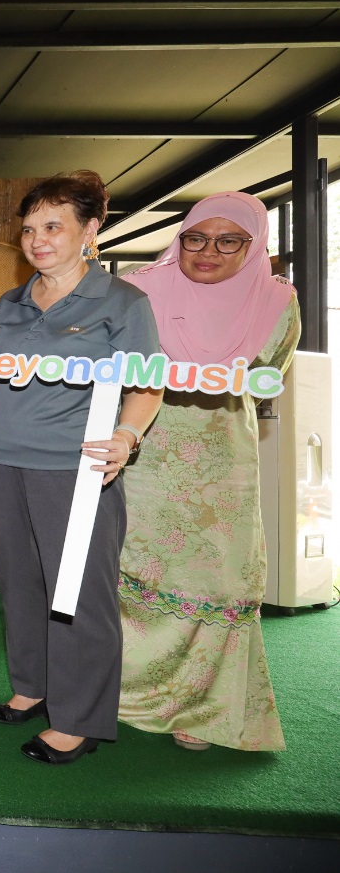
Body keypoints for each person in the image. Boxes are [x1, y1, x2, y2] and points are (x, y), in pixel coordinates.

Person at [0, 170, 162, 765]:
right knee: (20, 583)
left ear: (90, 230)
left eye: (53, 226)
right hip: (2, 459)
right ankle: (33, 688)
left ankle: (81, 719)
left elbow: (147, 387)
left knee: (78, 592)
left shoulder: (123, 302)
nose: (37, 239)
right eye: (29, 228)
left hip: (75, 467)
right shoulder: (11, 301)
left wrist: (125, 436)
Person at [118, 192, 299, 752]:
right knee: (133, 564)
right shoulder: (143, 288)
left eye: (229, 241)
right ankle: (121, 690)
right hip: (145, 449)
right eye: (196, 237)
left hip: (224, 460)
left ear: (254, 246)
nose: (207, 252)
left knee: (220, 575)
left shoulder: (277, 300)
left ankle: (203, 707)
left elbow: (270, 372)